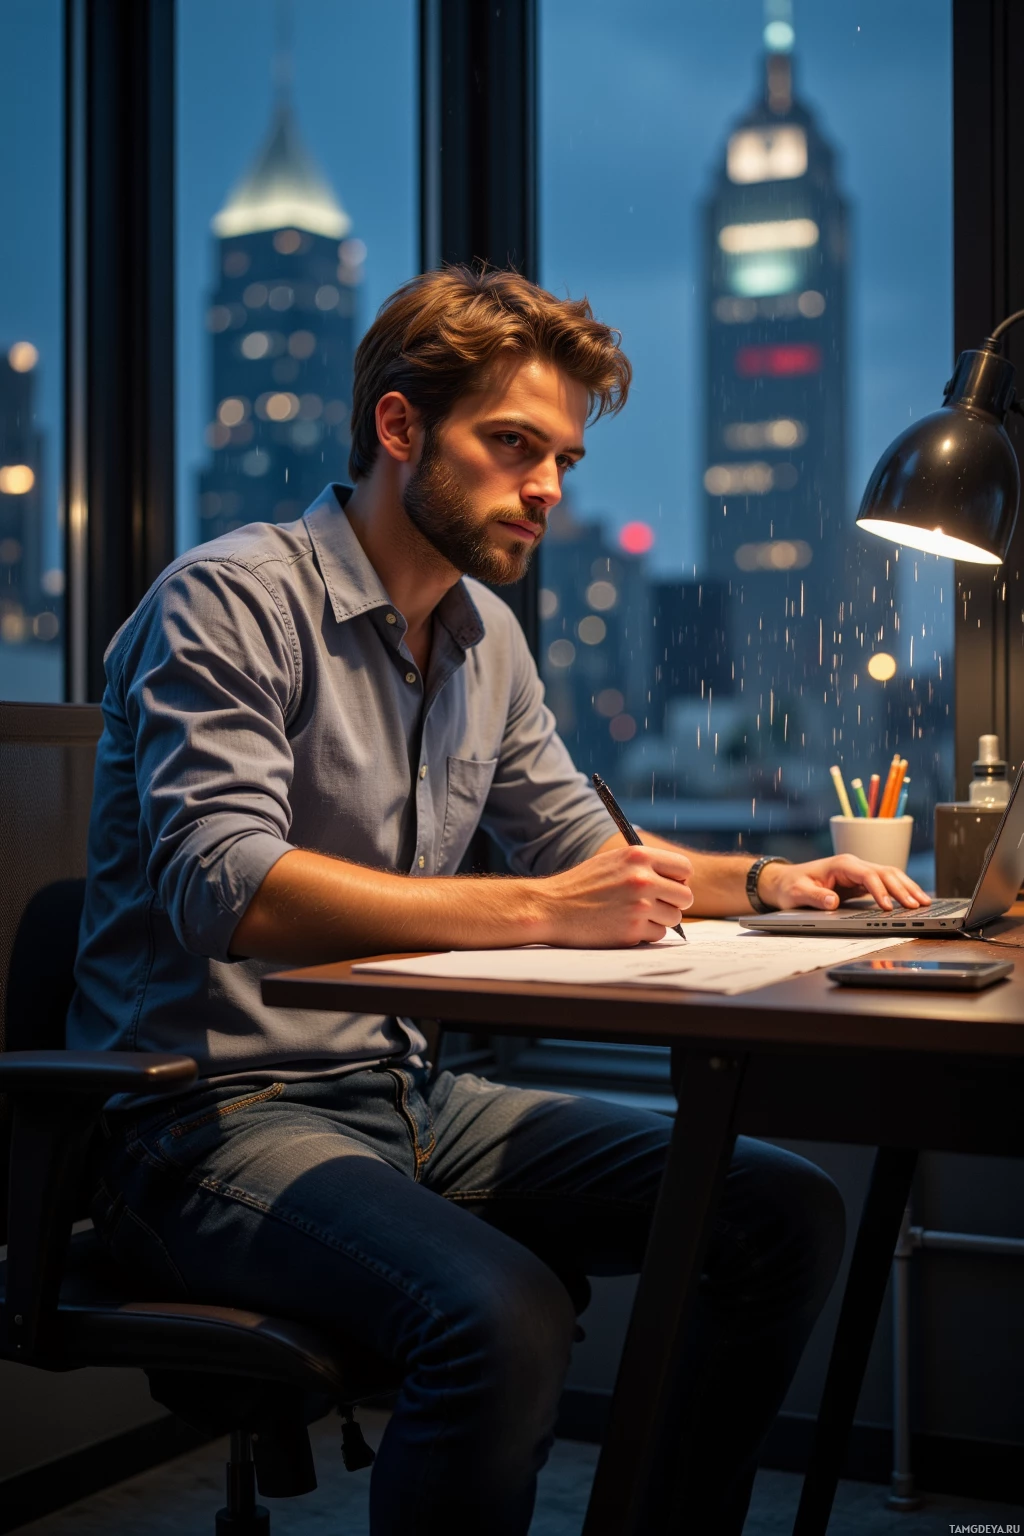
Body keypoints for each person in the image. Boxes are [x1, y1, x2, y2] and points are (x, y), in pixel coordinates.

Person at [69, 265, 930, 1535]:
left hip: (408, 1095)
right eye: (514, 445)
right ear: (399, 427)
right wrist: (535, 914)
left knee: (782, 1212)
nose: (547, 489)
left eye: (565, 460)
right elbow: (223, 887)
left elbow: (586, 848)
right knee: (504, 1312)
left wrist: (766, 882)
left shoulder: (485, 637)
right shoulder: (234, 600)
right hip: (200, 1117)